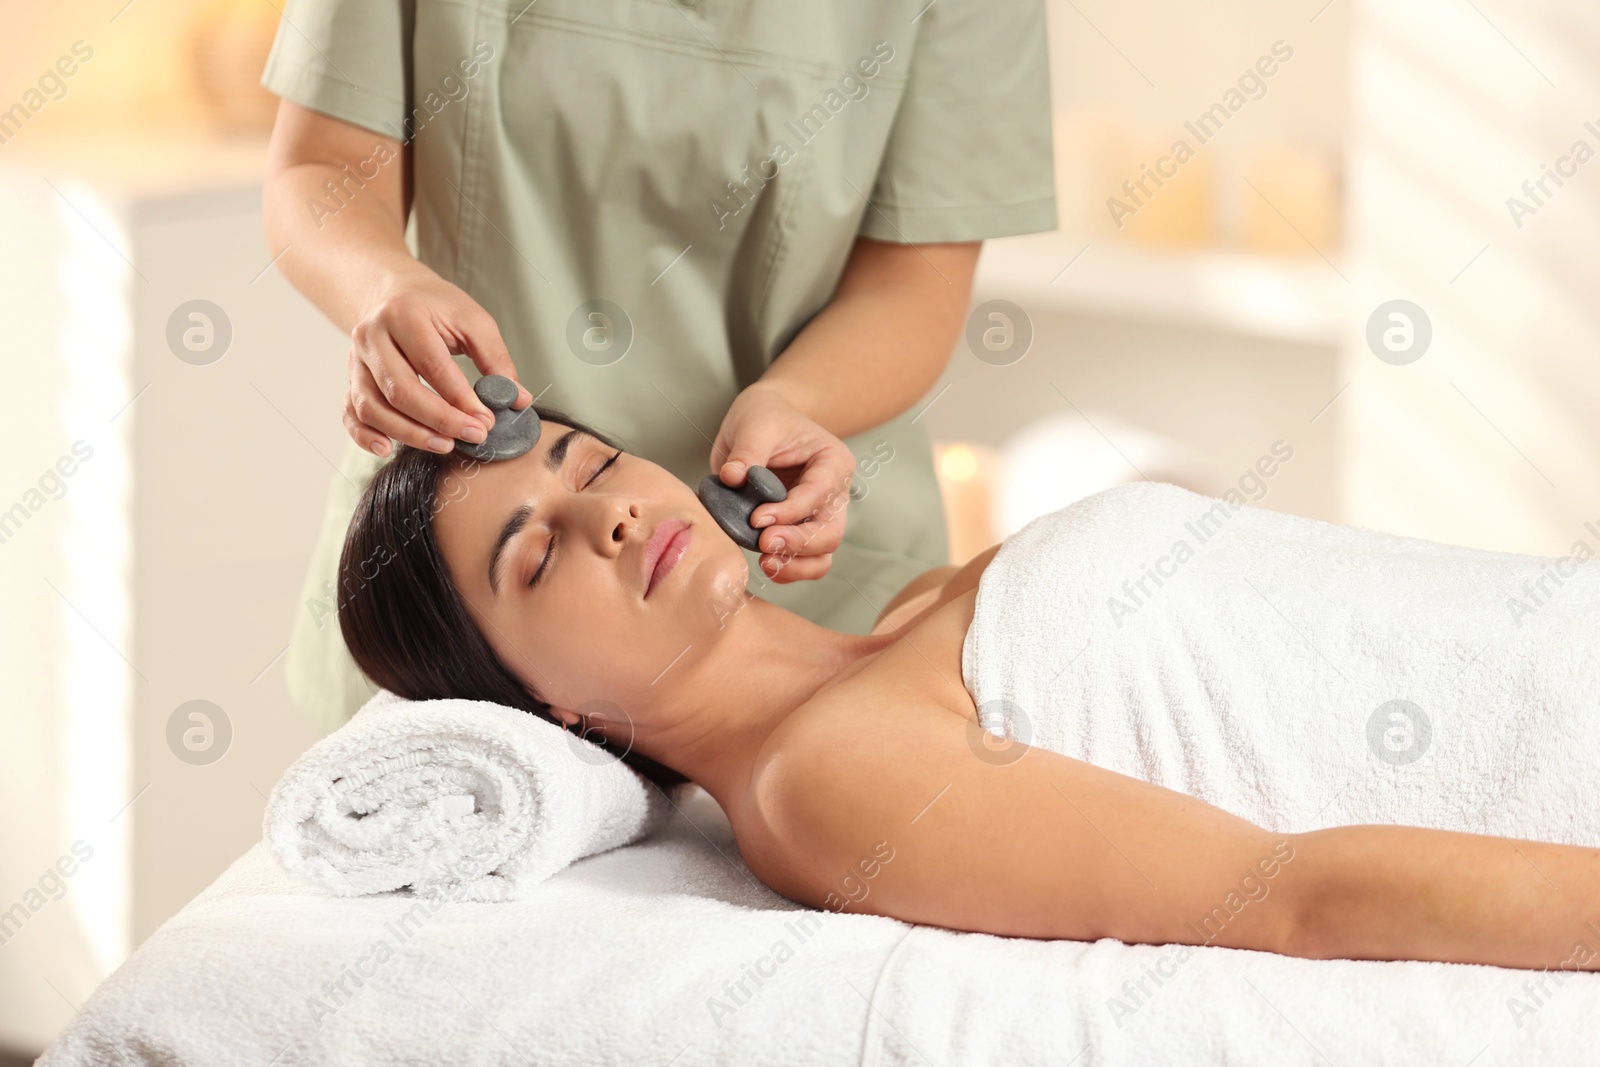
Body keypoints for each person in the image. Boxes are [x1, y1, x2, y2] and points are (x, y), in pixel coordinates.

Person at [335, 413, 1600, 973]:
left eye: (593, 461)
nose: (609, 512)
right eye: (540, 552)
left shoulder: (906, 617)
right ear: (543, 709)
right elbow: (1284, 895)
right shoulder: (822, 779)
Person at [257, 0, 1058, 734]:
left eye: (601, 464)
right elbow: (318, 167)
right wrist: (384, 287)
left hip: (813, 580)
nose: (621, 516)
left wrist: (798, 399)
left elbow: (913, 285)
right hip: (472, 622)